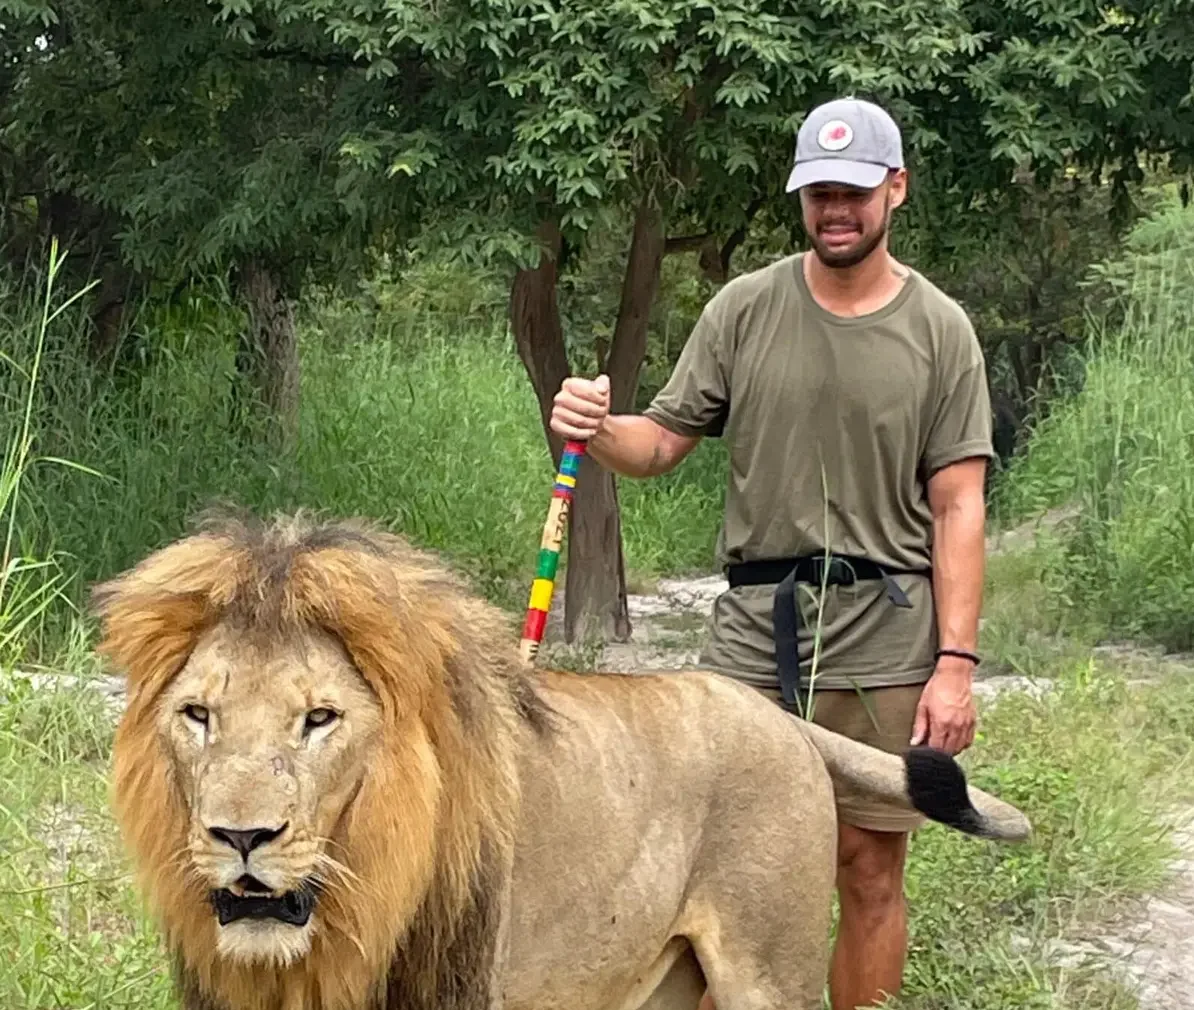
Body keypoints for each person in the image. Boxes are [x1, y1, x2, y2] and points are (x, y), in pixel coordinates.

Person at [548, 97, 993, 1010]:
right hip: (755, 628)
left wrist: (955, 665)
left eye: (855, 191)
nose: (836, 209)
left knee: (866, 865)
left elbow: (958, 507)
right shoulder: (744, 308)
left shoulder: (940, 330)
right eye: (818, 192)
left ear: (895, 189)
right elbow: (660, 444)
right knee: (719, 872)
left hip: (885, 631)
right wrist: (595, 430)